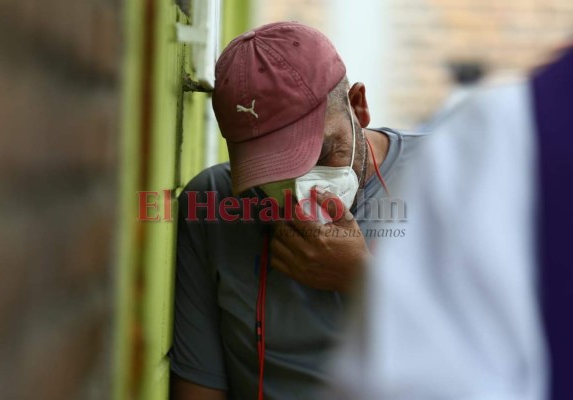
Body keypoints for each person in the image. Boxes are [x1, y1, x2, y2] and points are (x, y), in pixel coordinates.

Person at [168, 21, 427, 400]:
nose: (301, 191)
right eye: (271, 171)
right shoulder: (214, 204)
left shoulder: (448, 177)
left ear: (358, 106)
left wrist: (364, 281)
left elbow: (503, 362)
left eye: (320, 154)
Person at [327, 47, 573, 400]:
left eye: (324, 151)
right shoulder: (487, 143)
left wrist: (358, 274)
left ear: (358, 107)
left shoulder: (489, 145)